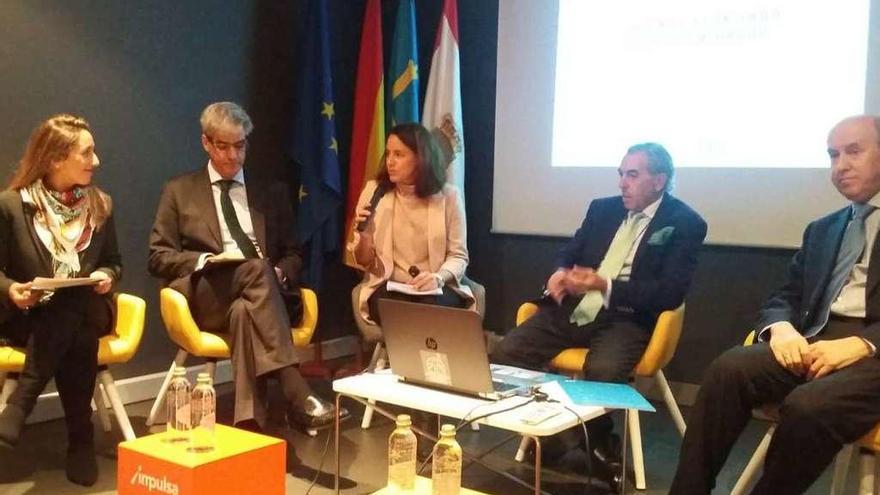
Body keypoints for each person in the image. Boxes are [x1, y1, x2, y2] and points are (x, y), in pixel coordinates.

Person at [670, 115, 880, 494]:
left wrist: (863, 344)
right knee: (728, 369)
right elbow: (785, 295)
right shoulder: (824, 228)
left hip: (873, 352)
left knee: (807, 406)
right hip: (814, 341)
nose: (840, 166)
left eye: (854, 152)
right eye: (833, 155)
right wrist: (781, 329)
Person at [492, 142, 707, 489]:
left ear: (659, 180)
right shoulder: (602, 210)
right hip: (576, 308)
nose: (622, 183)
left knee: (604, 371)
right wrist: (560, 272)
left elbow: (668, 293)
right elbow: (571, 250)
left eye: (632, 175)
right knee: (507, 353)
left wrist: (604, 284)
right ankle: (554, 433)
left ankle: (596, 440)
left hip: (627, 316)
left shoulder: (685, 223)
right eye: (621, 174)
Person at [148, 101, 347, 431]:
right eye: (222, 147)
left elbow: (294, 253)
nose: (232, 156)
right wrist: (206, 261)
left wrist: (278, 272)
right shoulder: (179, 191)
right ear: (206, 143)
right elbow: (158, 256)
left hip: (263, 297)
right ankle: (295, 390)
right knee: (256, 270)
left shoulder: (270, 191)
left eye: (239, 146)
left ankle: (250, 423)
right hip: (208, 293)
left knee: (245, 308)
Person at [0, 114, 120, 486]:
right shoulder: (11, 205)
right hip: (29, 315)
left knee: (74, 302)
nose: (95, 161)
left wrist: (105, 276)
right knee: (75, 325)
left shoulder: (100, 204)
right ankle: (81, 438)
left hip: (89, 304)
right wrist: (10, 291)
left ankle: (21, 403)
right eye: (86, 153)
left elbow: (113, 263)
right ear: (55, 159)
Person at [349, 123, 474, 328]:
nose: (390, 161)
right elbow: (364, 262)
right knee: (398, 309)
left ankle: (424, 360)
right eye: (388, 154)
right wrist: (364, 234)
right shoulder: (374, 191)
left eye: (399, 154)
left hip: (434, 288)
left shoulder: (449, 196)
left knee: (428, 309)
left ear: (420, 158)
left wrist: (438, 278)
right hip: (389, 287)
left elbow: (458, 256)